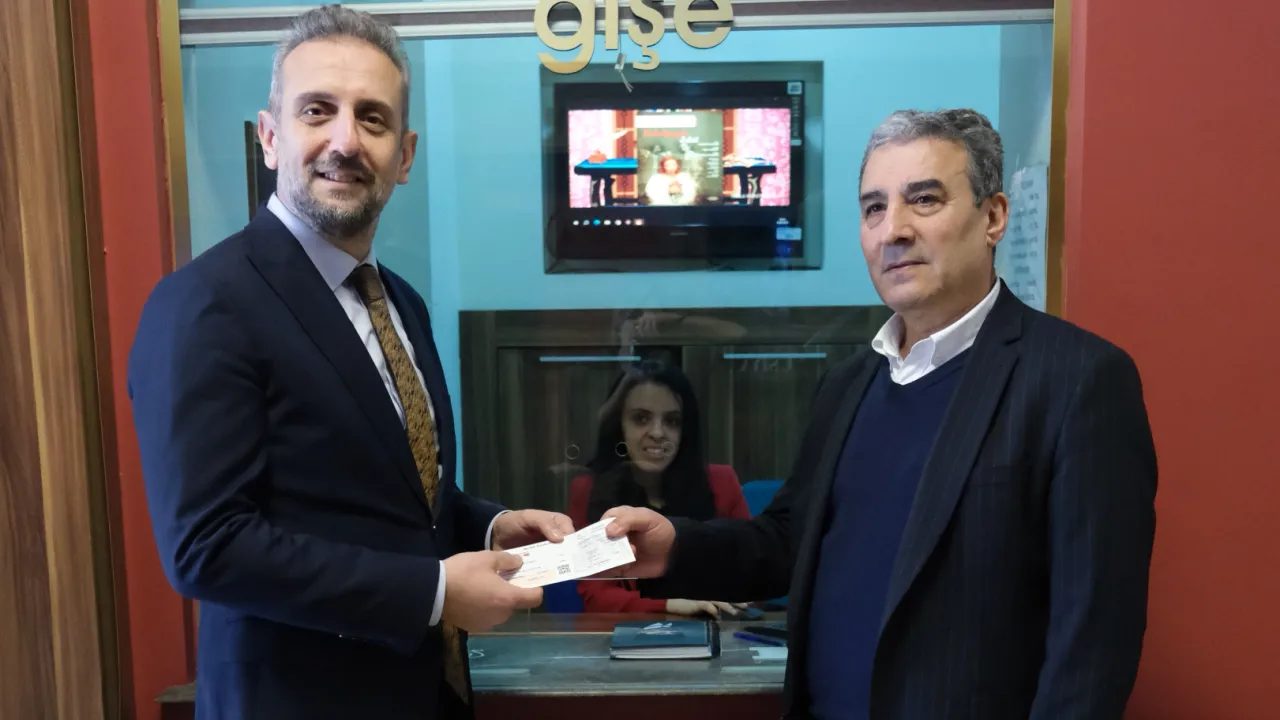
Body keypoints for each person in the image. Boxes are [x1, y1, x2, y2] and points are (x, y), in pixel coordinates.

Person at [602, 109, 1158, 719]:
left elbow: (1093, 642)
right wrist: (676, 547)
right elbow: (788, 542)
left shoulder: (1077, 380)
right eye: (874, 208)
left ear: (994, 217)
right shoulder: (848, 383)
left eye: (924, 200)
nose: (894, 229)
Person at [126, 6, 572, 719]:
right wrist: (433, 594)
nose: (345, 140)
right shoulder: (206, 303)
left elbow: (391, 498)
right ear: (270, 137)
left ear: (405, 155)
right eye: (317, 111)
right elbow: (208, 546)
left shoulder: (401, 302)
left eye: (372, 118)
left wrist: (489, 527)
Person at [567, 361, 751, 616]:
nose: (657, 433)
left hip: (712, 624)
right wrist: (671, 604)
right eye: (641, 419)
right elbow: (594, 594)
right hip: (627, 631)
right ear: (620, 426)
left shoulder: (722, 482)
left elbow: (755, 575)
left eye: (672, 421)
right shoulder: (588, 489)